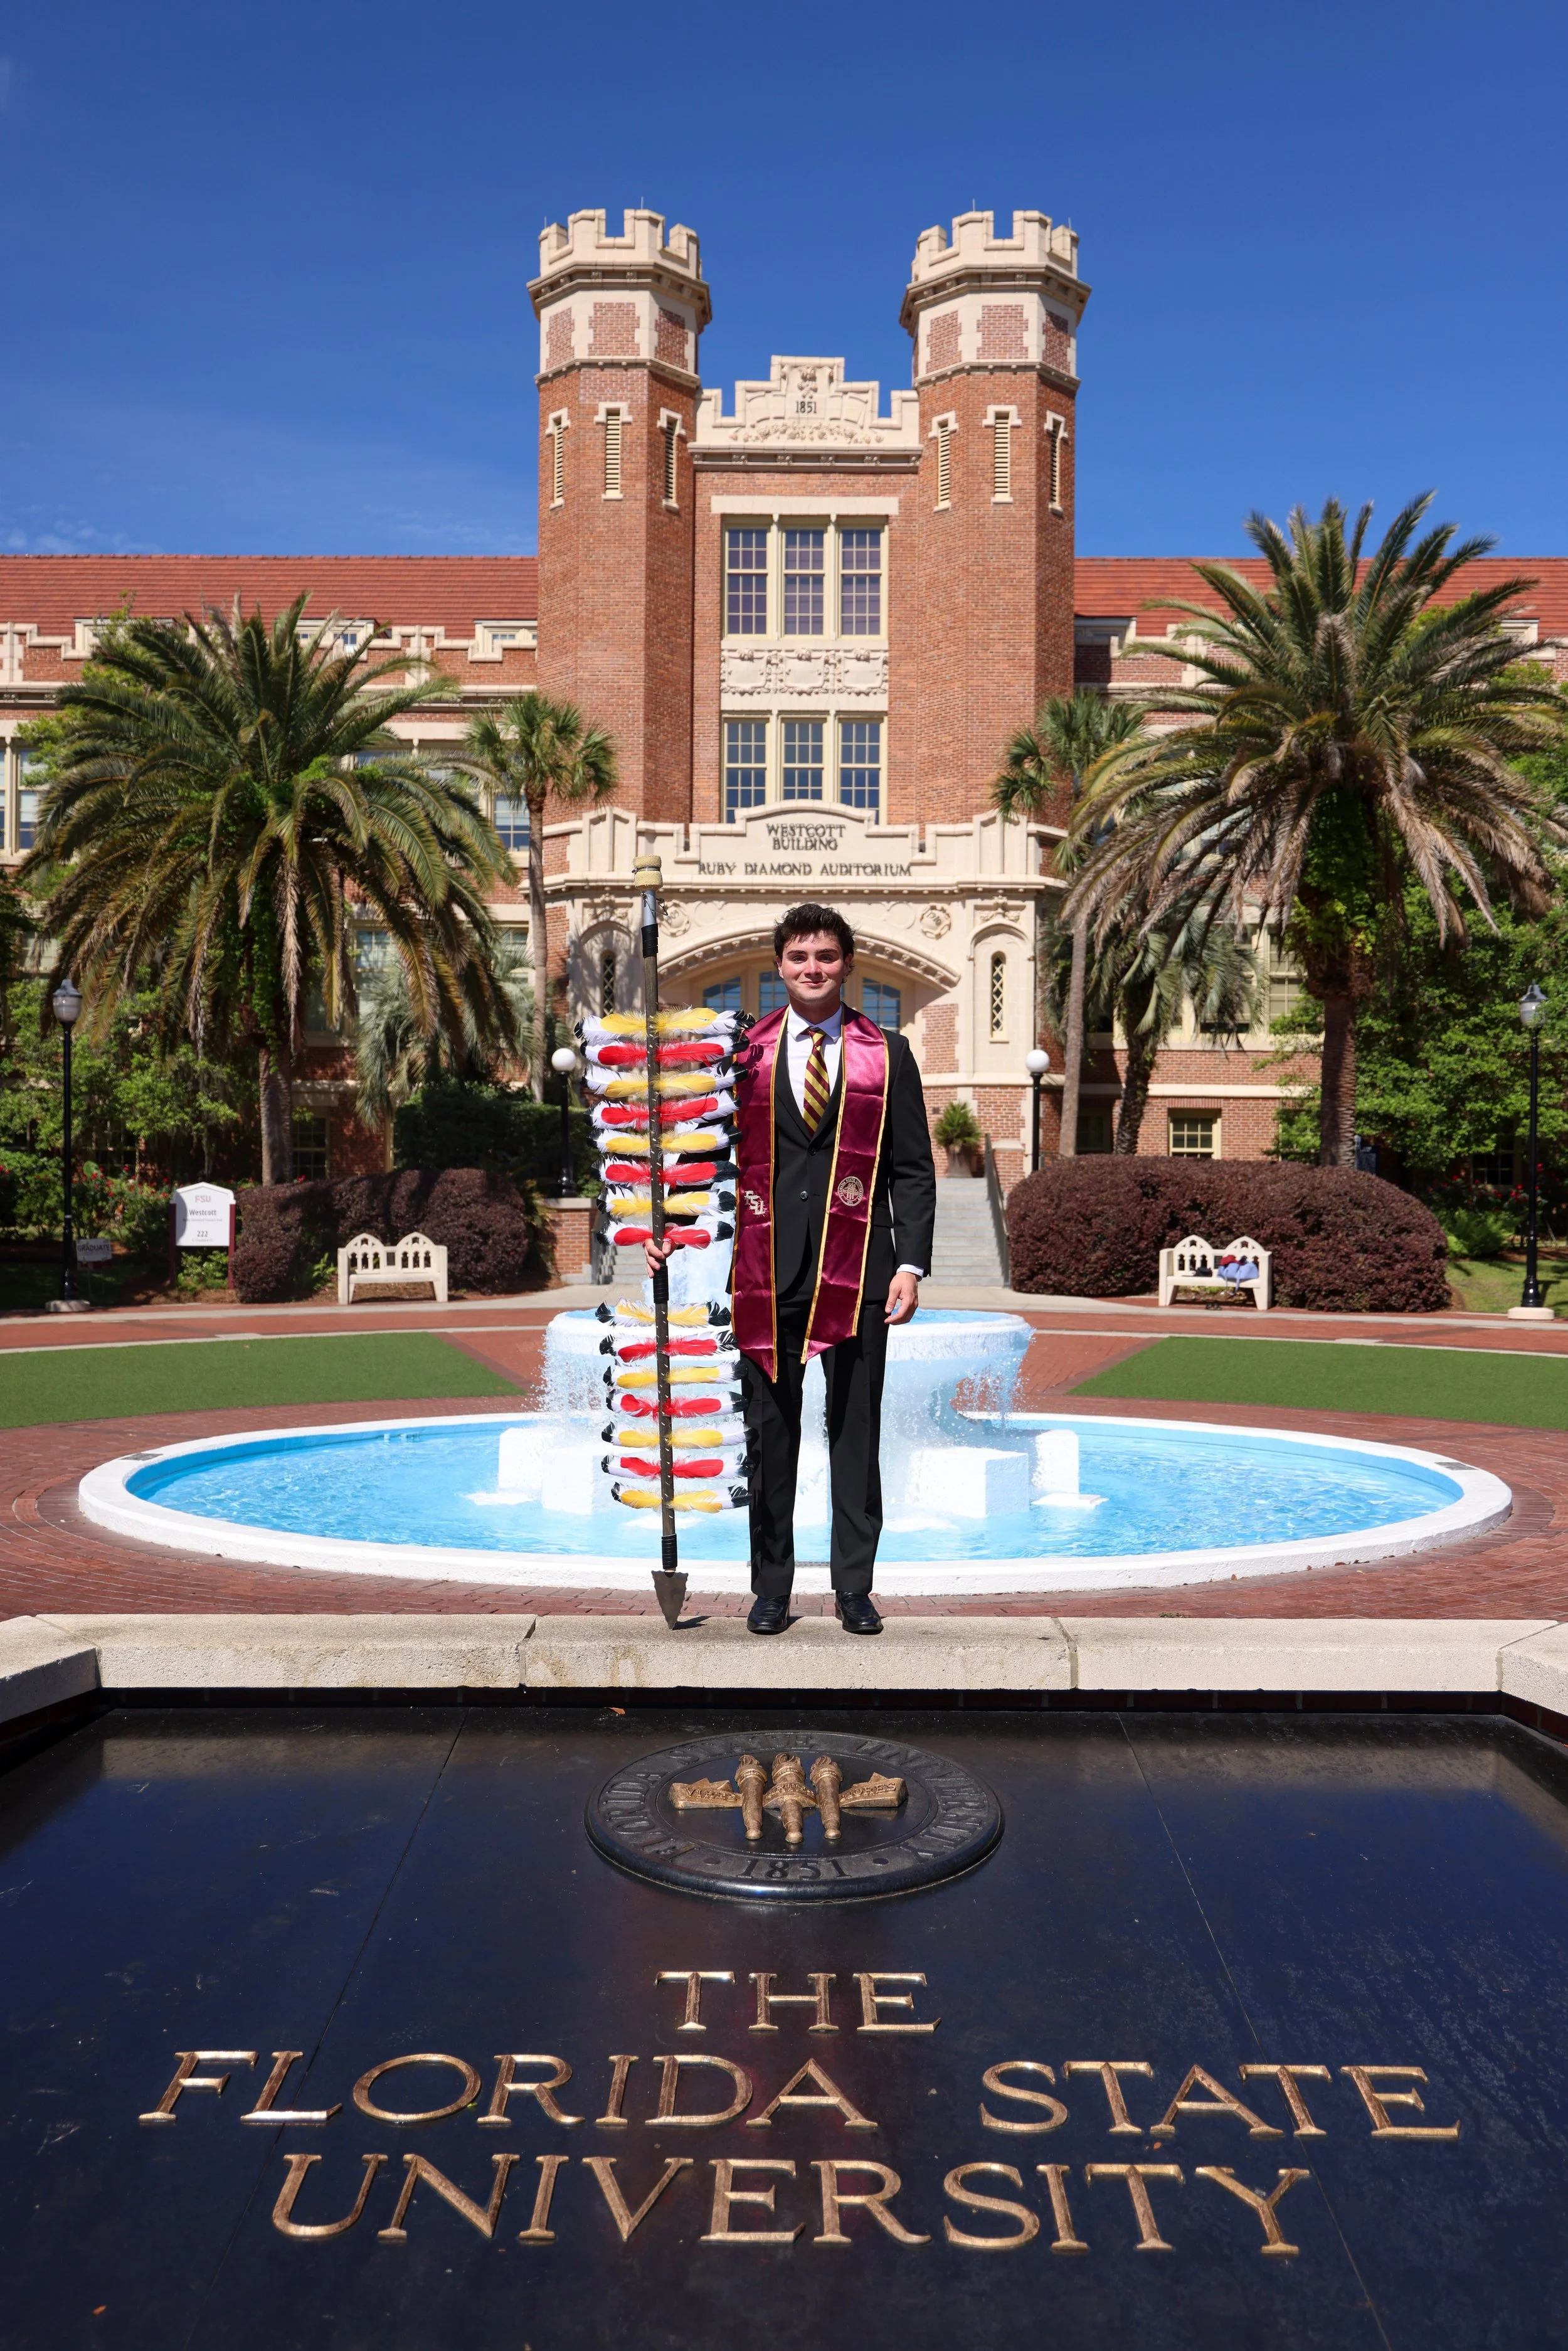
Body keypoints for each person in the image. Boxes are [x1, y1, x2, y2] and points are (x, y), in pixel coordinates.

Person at [651, 903, 935, 1635]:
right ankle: (770, 1587)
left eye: (828, 957)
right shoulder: (742, 1050)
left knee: (855, 1432)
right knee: (769, 1435)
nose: (814, 968)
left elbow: (912, 1169)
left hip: (859, 1269)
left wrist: (910, 1264)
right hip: (764, 1266)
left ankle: (853, 1589)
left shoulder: (889, 1052)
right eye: (800, 956)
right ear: (780, 966)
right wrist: (671, 1228)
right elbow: (704, 1150)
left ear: (847, 965)